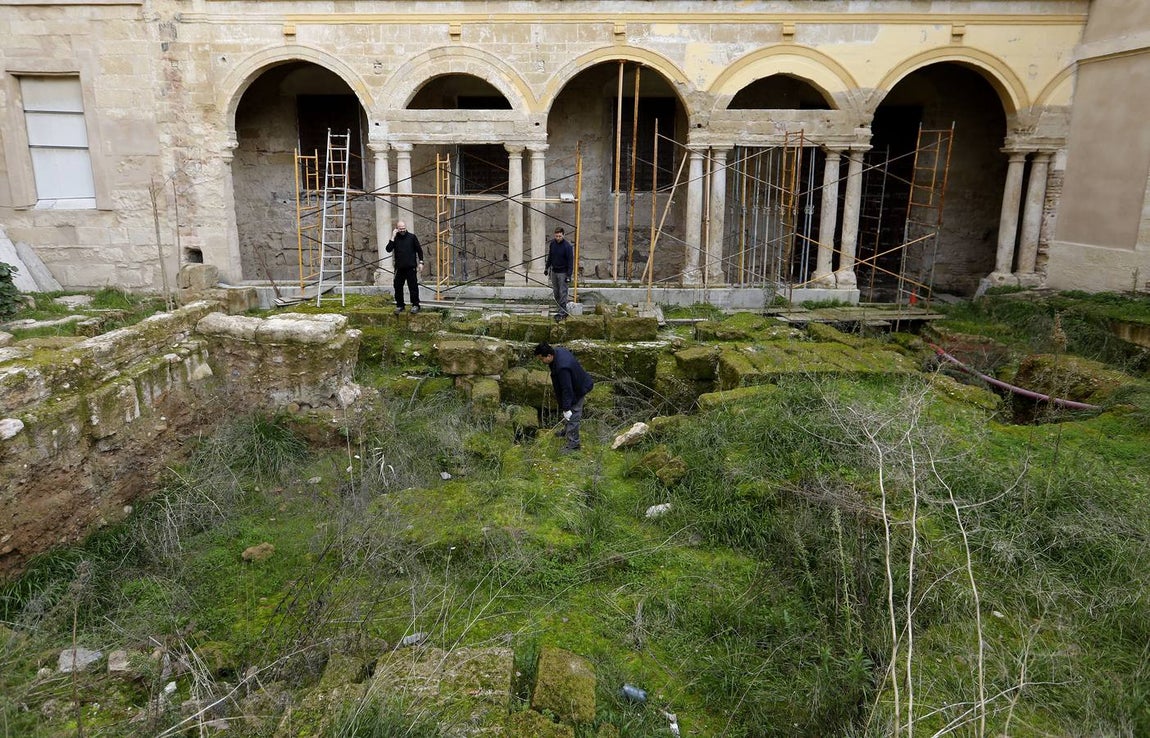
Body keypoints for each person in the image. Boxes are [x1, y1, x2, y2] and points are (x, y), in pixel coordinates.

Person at [534, 342, 594, 453]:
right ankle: (567, 431)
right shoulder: (558, 351)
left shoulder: (562, 368)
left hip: (578, 388)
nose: (541, 362)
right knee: (569, 412)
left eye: (541, 359)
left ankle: (573, 444)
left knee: (573, 414)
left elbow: (567, 389)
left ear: (549, 356)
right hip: (576, 382)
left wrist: (566, 408)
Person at [386, 221, 424, 314]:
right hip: (399, 268)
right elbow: (388, 249)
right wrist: (392, 237)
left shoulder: (412, 237)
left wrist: (421, 262)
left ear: (405, 227)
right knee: (397, 287)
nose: (402, 230)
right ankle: (400, 305)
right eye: (400, 228)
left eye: (403, 228)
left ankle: (415, 305)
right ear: (397, 229)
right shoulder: (395, 238)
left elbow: (419, 250)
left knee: (413, 287)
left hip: (411, 267)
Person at [544, 227, 574, 321]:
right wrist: (546, 267)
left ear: (563, 235)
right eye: (556, 236)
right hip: (554, 271)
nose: (558, 238)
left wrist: (569, 275)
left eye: (559, 236)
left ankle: (562, 311)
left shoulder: (567, 246)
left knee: (563, 291)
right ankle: (559, 307)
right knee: (556, 291)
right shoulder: (552, 244)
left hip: (563, 272)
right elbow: (550, 256)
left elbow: (570, 262)